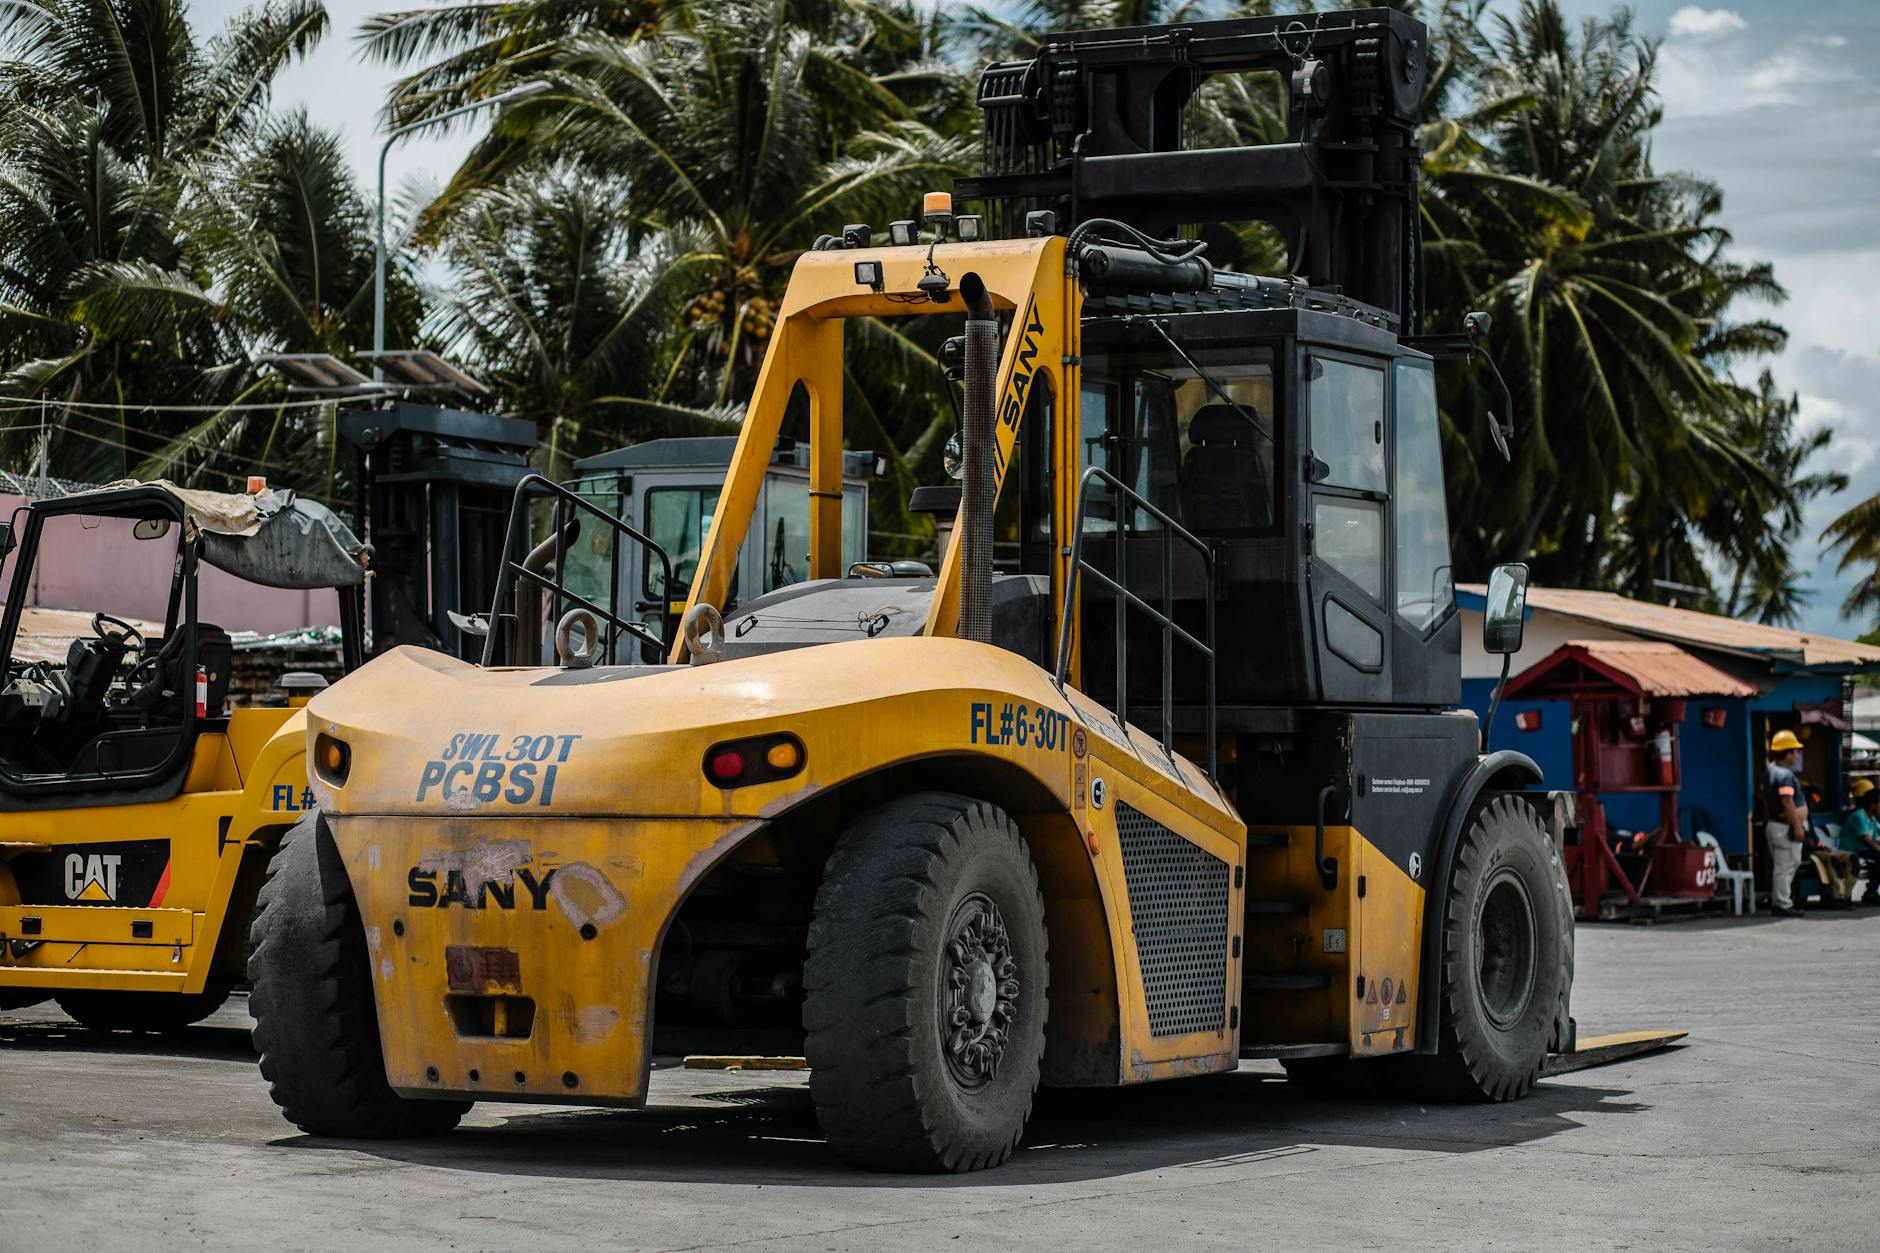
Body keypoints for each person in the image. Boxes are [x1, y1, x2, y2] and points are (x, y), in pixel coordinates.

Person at [1764, 730, 1809, 917]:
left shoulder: (1770, 771)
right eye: (1795, 751)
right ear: (1788, 753)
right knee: (1785, 866)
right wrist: (1797, 826)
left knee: (1785, 865)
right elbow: (1787, 801)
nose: (1797, 755)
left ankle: (1781, 900)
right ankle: (1782, 903)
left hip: (1776, 824)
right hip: (1785, 826)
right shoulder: (1785, 775)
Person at [1837, 778, 1880, 906]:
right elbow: (1867, 841)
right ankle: (1870, 892)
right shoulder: (1858, 816)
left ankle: (1871, 892)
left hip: (1864, 850)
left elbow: (1877, 840)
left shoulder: (1872, 820)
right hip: (1852, 850)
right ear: (1872, 804)